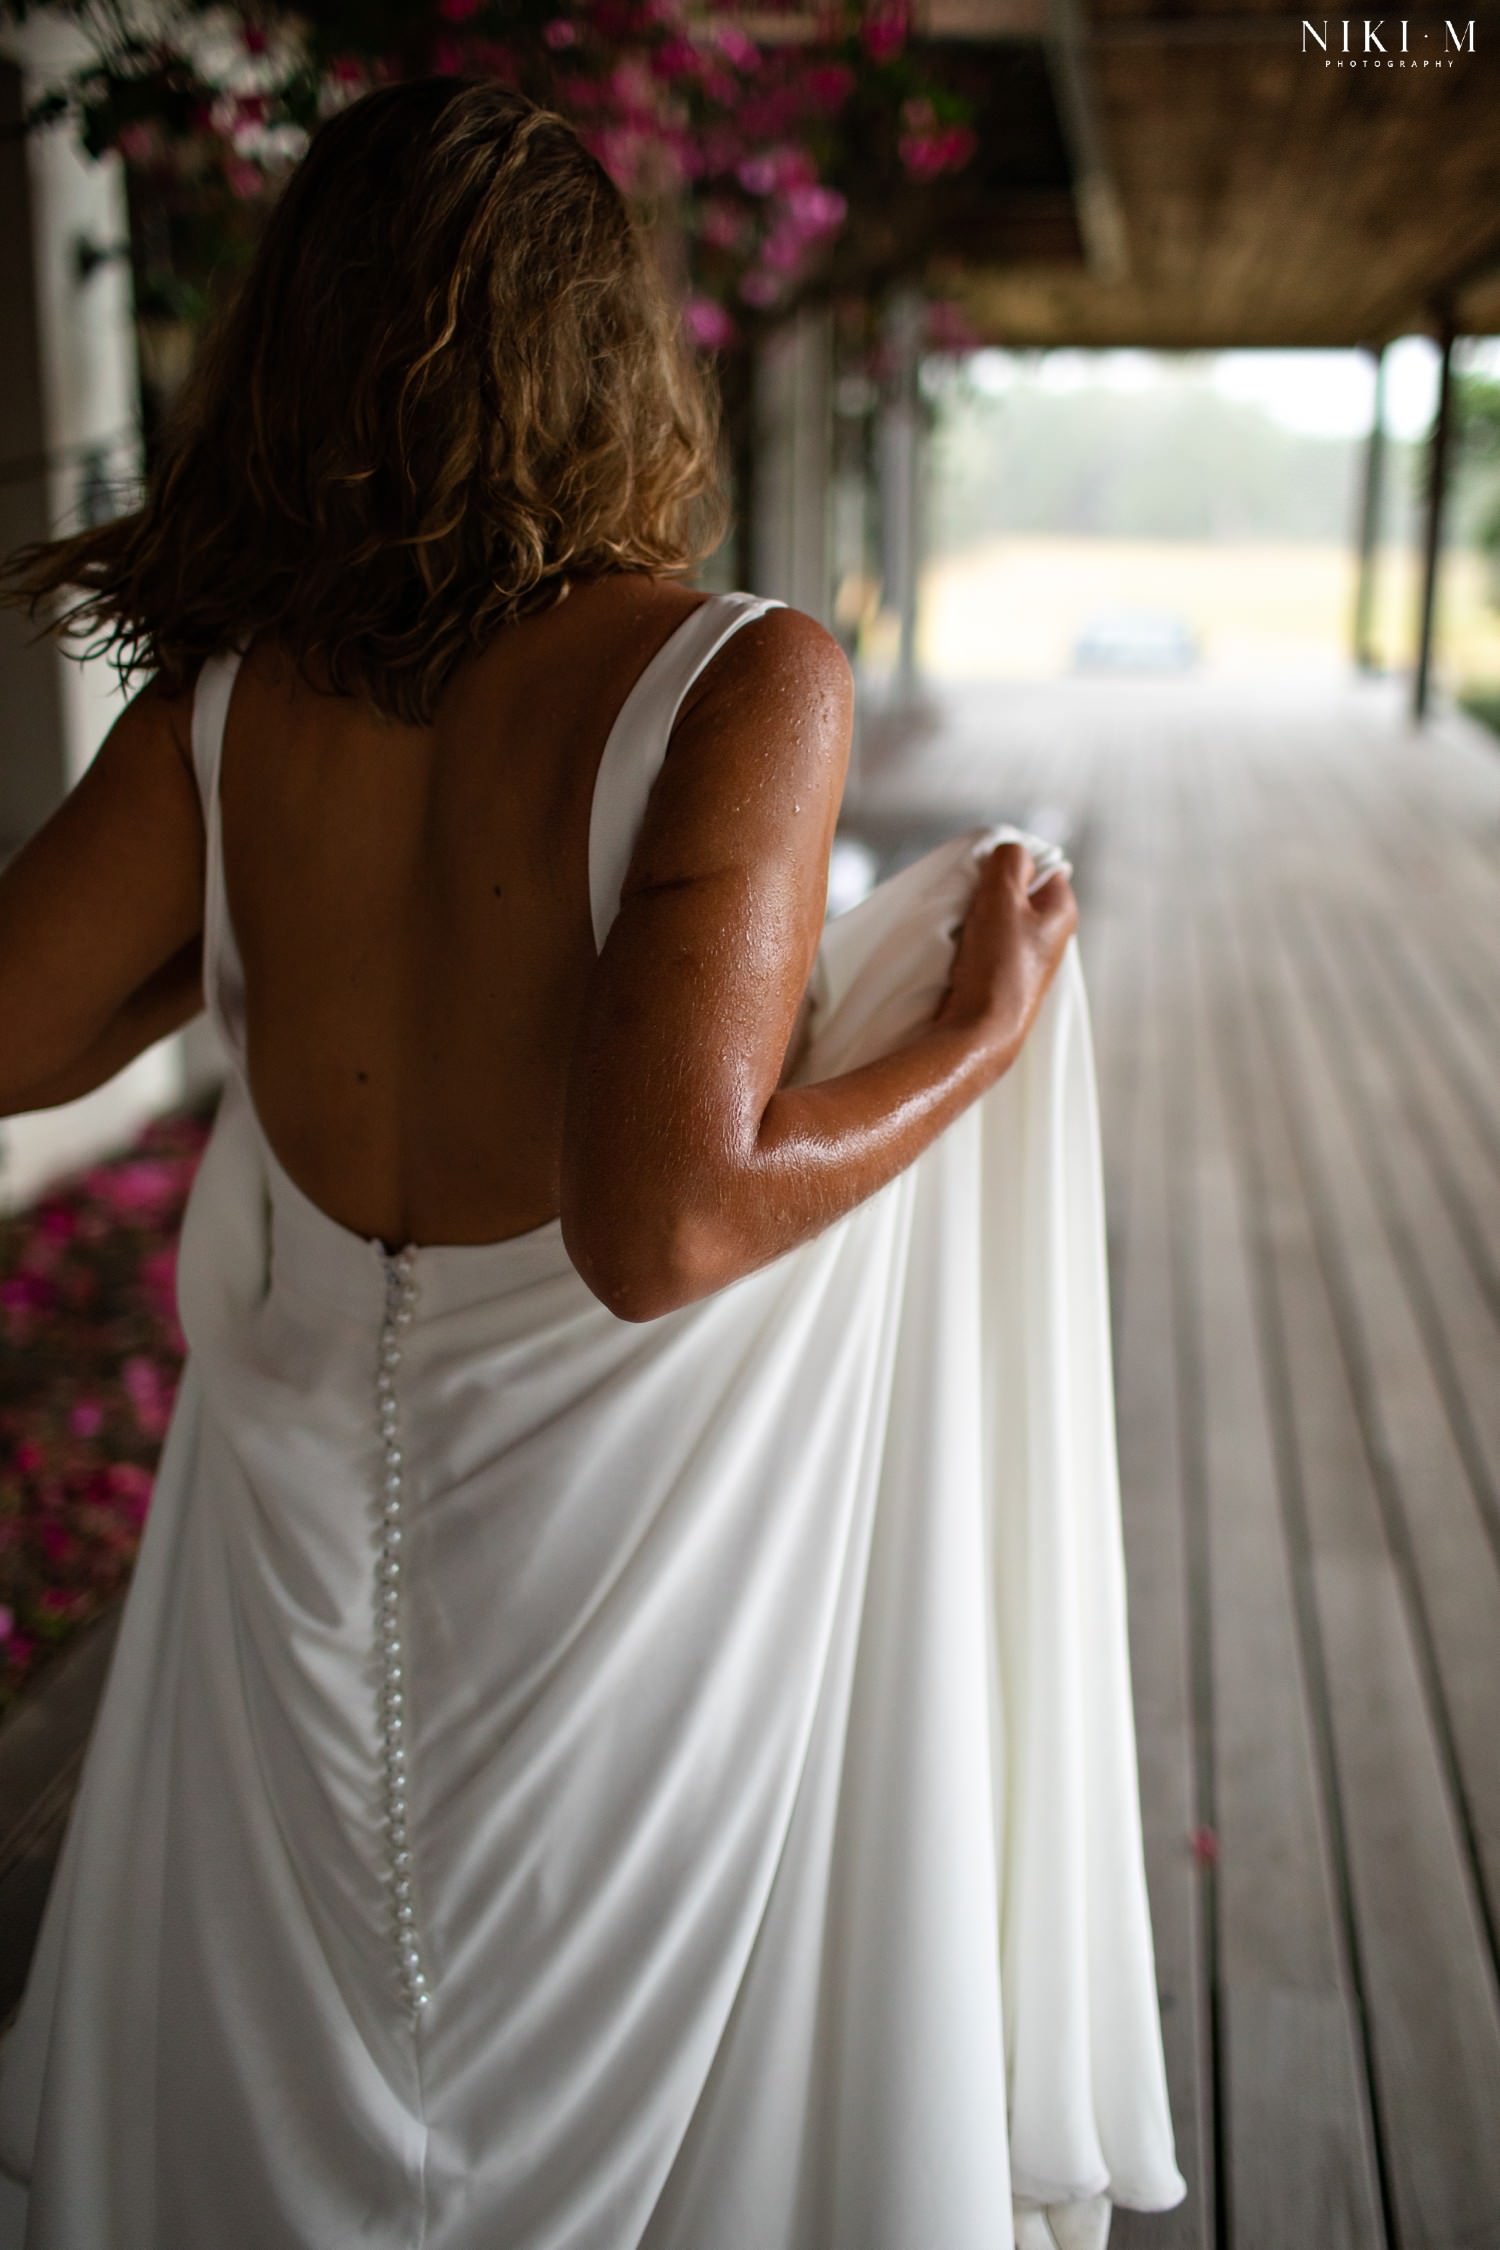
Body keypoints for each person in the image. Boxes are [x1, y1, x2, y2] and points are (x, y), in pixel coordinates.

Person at [0, 76, 1183, 2250]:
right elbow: (672, 1224)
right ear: (606, 352)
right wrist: (977, 1032)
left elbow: (14, 1031)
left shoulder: (231, 709)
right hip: (620, 1529)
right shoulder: (737, 673)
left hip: (297, 1524)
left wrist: (253, 925)